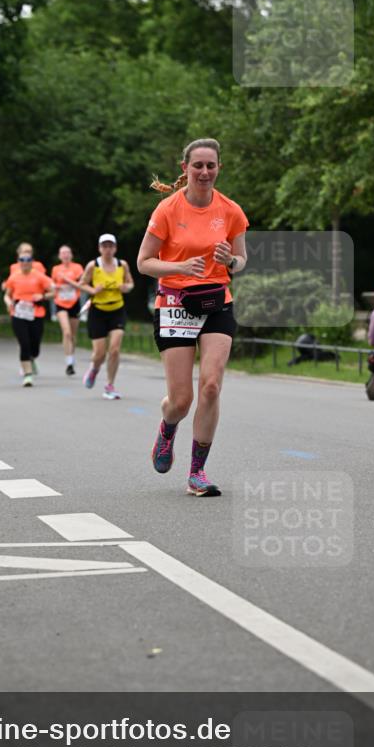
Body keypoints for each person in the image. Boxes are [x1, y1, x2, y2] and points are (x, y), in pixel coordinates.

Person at [137, 138, 248, 496]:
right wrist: (180, 266)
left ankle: (197, 473)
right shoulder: (167, 210)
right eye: (197, 165)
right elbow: (144, 262)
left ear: (219, 168)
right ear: (184, 169)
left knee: (212, 386)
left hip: (217, 300)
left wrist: (230, 260)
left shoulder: (230, 210)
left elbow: (242, 259)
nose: (204, 172)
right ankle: (168, 427)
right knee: (181, 400)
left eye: (210, 165)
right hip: (175, 301)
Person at [79, 234, 134, 399]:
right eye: (104, 246)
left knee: (115, 349)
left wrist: (126, 287)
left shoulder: (122, 265)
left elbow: (130, 283)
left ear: (115, 248)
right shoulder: (93, 266)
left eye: (111, 246)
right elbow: (82, 284)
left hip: (117, 310)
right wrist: (93, 290)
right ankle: (94, 369)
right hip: (98, 311)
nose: (108, 249)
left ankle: (109, 385)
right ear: (99, 248)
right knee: (99, 354)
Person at [3, 255, 54, 387]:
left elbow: (53, 292)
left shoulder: (39, 276)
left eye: (28, 260)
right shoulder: (14, 277)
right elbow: (7, 295)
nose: (25, 263)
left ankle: (32, 358)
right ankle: (27, 375)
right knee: (24, 343)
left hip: (36, 314)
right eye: (22, 260)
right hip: (18, 314)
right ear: (18, 262)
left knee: (35, 346)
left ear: (32, 262)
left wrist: (42, 296)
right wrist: (9, 303)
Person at [51, 245, 84, 375]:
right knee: (67, 332)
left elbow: (81, 283)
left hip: (74, 302)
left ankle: (71, 356)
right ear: (59, 256)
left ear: (71, 255)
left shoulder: (77, 268)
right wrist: (58, 287)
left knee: (73, 335)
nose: (65, 255)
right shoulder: (55, 269)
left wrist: (68, 281)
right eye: (63, 253)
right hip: (60, 303)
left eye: (67, 253)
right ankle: (69, 362)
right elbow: (52, 286)